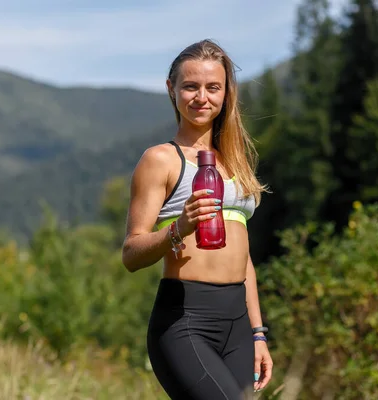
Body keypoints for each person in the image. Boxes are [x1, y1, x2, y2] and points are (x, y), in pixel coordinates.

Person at [121, 39, 273, 400]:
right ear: (171, 89)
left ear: (226, 93)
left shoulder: (236, 162)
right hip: (185, 320)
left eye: (212, 87)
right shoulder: (161, 160)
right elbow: (131, 253)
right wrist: (179, 227)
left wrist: (258, 333)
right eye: (190, 86)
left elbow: (244, 260)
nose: (201, 97)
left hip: (238, 324)